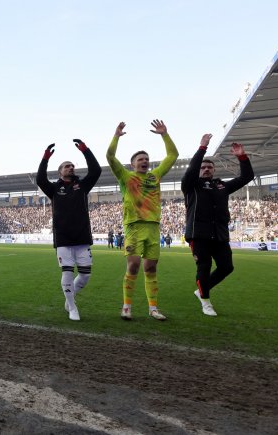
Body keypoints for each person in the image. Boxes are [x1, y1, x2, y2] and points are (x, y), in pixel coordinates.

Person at [106, 120, 179, 321]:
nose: (145, 161)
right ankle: (127, 306)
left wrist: (165, 134)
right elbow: (110, 157)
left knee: (151, 268)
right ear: (133, 164)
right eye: (140, 159)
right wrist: (116, 136)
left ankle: (153, 308)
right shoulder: (126, 177)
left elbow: (172, 155)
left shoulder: (155, 176)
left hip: (154, 228)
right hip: (134, 227)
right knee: (134, 265)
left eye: (146, 158)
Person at [182, 137, 254, 316]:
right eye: (203, 167)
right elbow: (191, 170)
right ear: (199, 170)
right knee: (204, 266)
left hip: (219, 234)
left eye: (209, 167)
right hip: (198, 234)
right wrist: (202, 148)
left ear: (214, 170)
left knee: (226, 267)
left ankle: (201, 290)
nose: (206, 169)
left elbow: (247, 177)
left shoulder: (222, 186)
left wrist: (242, 157)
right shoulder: (191, 185)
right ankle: (206, 301)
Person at [37, 139, 101, 321]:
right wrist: (45, 158)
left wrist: (85, 150)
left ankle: (69, 297)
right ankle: (72, 307)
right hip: (63, 237)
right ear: (60, 172)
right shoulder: (54, 188)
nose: (70, 168)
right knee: (67, 271)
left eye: (72, 166)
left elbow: (96, 171)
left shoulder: (82, 186)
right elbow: (40, 179)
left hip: (82, 236)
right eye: (66, 166)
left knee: (85, 276)